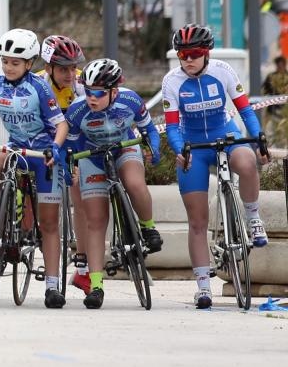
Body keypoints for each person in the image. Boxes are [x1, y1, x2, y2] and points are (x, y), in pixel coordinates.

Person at [162, 23, 272, 309]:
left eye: (194, 53)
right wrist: (179, 150)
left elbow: (246, 110)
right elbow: (172, 127)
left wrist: (258, 140)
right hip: (193, 145)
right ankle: (202, 287)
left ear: (206, 53)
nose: (188, 60)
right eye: (182, 54)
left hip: (226, 133)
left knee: (246, 161)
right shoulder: (171, 82)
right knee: (197, 222)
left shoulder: (222, 71)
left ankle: (253, 217)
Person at [0, 28, 71, 308]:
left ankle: (52, 285)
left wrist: (56, 147)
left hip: (41, 151)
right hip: (16, 147)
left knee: (49, 223)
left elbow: (61, 124)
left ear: (29, 64)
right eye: (4, 61)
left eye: (15, 63)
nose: (8, 67)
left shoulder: (39, 88)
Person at [61, 58, 163, 309]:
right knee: (95, 220)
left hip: (123, 148)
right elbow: (70, 147)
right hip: (92, 156)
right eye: (87, 91)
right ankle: (96, 285)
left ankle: (148, 227)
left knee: (134, 182)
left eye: (98, 93)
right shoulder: (77, 110)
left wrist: (155, 149)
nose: (91, 98)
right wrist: (69, 167)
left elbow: (149, 129)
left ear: (114, 92)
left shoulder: (130, 100)